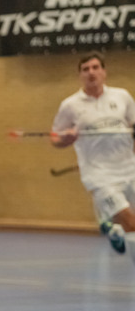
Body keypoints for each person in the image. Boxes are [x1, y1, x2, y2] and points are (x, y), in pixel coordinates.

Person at [51, 51, 135, 259]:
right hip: (99, 175)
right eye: (86, 69)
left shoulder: (122, 96)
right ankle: (116, 228)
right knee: (130, 222)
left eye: (95, 68)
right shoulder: (70, 105)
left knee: (129, 225)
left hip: (129, 167)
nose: (91, 73)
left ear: (104, 72)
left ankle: (114, 230)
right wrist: (65, 139)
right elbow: (54, 138)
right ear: (80, 75)